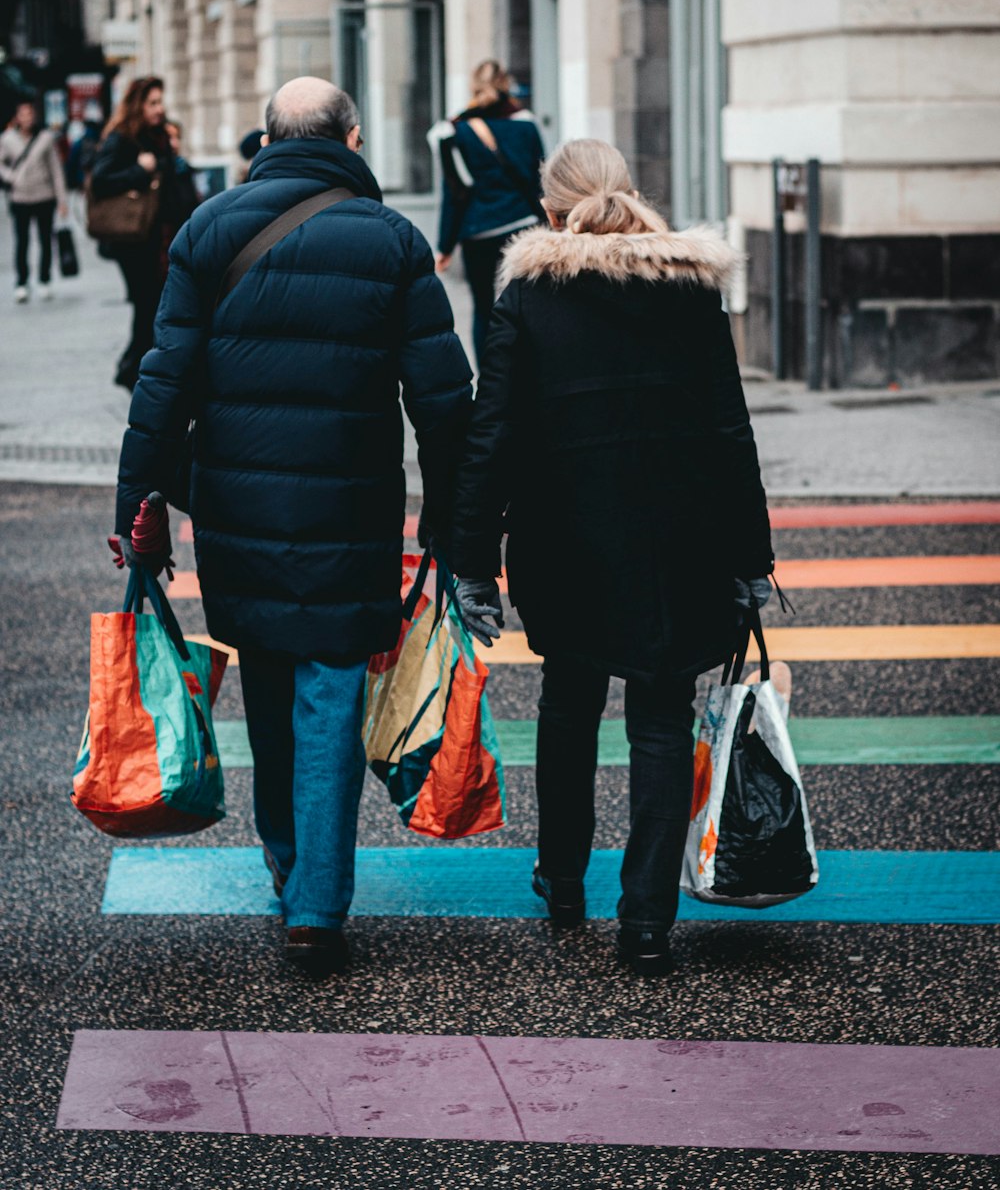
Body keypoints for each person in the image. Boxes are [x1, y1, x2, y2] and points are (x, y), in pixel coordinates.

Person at [113, 76, 473, 977]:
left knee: (272, 689)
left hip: (237, 510)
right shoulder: (393, 241)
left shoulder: (208, 230)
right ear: (350, 137)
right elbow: (443, 398)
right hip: (348, 512)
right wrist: (452, 513)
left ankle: (287, 865)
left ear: (268, 138)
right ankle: (317, 903)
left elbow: (165, 379)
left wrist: (136, 499)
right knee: (332, 696)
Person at [448, 139, 774, 977]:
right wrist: (751, 558)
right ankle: (647, 925)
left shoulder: (530, 292)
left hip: (566, 540)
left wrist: (472, 558)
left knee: (569, 698)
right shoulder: (692, 289)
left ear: (551, 211)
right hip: (683, 543)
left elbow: (494, 435)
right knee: (661, 720)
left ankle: (562, 882)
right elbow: (729, 432)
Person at [428, 60, 545, 364]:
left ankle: (491, 378)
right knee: (527, 305)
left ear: (473, 88)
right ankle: (527, 370)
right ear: (507, 85)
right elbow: (540, 180)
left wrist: (445, 245)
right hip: (522, 226)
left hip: (479, 230)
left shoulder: (458, 130)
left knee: (483, 308)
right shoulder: (526, 125)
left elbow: (455, 192)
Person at [90, 76, 194, 391]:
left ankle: (136, 366)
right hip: (134, 240)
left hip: (162, 235)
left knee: (152, 303)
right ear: (138, 105)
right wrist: (140, 169)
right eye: (152, 103)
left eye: (161, 102)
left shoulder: (159, 136)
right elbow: (100, 180)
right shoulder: (123, 138)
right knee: (147, 302)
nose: (159, 109)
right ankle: (135, 368)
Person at [0, 99, 69, 303]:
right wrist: (11, 177)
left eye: (30, 114)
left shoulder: (45, 138)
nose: (27, 118)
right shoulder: (7, 139)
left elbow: (56, 170)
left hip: (44, 196)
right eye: (23, 114)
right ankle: (22, 282)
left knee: (45, 240)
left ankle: (44, 279)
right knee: (22, 242)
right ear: (17, 117)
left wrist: (62, 199)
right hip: (20, 198)